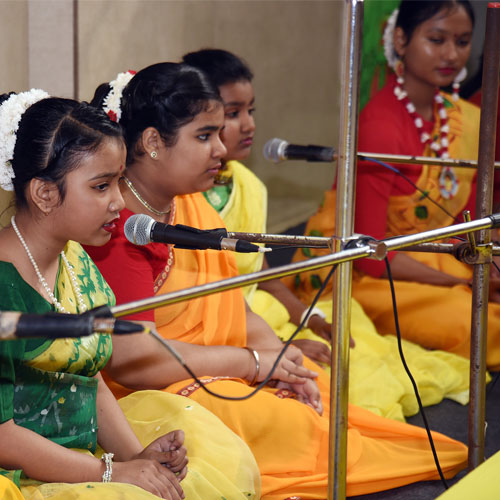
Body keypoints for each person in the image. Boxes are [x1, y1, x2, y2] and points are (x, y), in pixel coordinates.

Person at [86, 61, 468, 499]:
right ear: (153, 142)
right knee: (288, 425)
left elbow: (234, 304)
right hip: (155, 393)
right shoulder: (120, 229)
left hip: (210, 368)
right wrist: (251, 363)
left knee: (317, 387)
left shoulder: (187, 208)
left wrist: (277, 357)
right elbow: (136, 361)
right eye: (205, 136)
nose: (222, 151)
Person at [182, 47, 473, 421]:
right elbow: (199, 306)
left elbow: (261, 274)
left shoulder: (250, 186)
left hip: (257, 315)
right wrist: (279, 343)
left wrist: (310, 318)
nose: (249, 125)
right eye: (232, 113)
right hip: (218, 330)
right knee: (333, 389)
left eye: (250, 110)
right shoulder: (183, 197)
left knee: (350, 340)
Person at [0, 90, 260, 500]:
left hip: (88, 459)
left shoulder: (75, 261)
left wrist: (137, 457)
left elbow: (91, 378)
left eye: (118, 182)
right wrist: (112, 472)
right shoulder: (3, 282)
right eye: (101, 186)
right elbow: (4, 439)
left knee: (200, 456)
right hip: (20, 477)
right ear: (44, 193)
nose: (119, 202)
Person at [287, 0, 500, 369]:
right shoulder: (380, 125)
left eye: (463, 41)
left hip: (435, 258)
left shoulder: (462, 119)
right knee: (474, 321)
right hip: (368, 275)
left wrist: (487, 263)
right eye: (437, 39)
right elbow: (370, 255)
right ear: (400, 40)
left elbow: (456, 227)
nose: (452, 53)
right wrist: (459, 284)